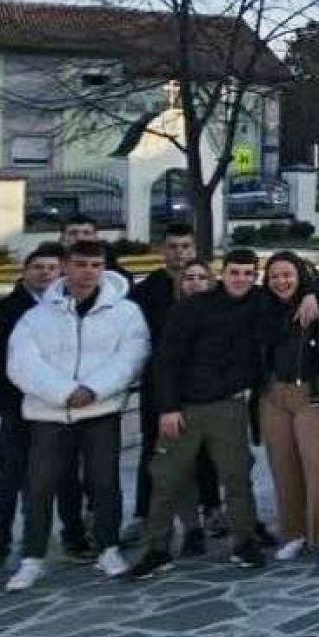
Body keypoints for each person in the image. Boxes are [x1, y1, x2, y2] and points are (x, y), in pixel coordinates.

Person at [2, 239, 148, 590]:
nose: (88, 273)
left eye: (96, 266)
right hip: (50, 414)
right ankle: (32, 557)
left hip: (101, 411)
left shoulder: (126, 312)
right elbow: (22, 362)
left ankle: (108, 548)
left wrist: (93, 390)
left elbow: (132, 356)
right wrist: (64, 393)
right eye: (81, 264)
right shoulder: (36, 316)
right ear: (65, 267)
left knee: (104, 483)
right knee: (39, 486)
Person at [124, 249, 267, 581]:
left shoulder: (260, 304)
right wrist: (168, 407)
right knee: (167, 479)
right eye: (235, 272)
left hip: (229, 406)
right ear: (223, 273)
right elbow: (167, 360)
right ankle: (157, 548)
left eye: (248, 273)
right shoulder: (192, 308)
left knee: (236, 477)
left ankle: (244, 541)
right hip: (185, 407)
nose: (241, 279)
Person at [0, 245, 83, 580]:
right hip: (18, 406)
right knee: (10, 480)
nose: (46, 274)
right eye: (39, 267)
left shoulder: (71, 306)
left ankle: (75, 538)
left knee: (67, 478)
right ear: (25, 270)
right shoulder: (6, 310)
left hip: (60, 405)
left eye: (52, 268)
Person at [254, 251, 319, 569]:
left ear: (300, 276)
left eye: (288, 275)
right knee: (283, 468)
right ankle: (293, 533)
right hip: (273, 396)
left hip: (312, 394)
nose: (281, 281)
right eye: (275, 276)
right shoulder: (264, 310)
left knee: (318, 467)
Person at [127, 222, 222, 545]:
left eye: (185, 246)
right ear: (162, 250)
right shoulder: (147, 289)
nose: (179, 253)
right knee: (155, 450)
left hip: (202, 385)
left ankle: (211, 508)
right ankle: (144, 514)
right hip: (160, 384)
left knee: (206, 449)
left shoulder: (211, 288)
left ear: (194, 249)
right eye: (172, 246)